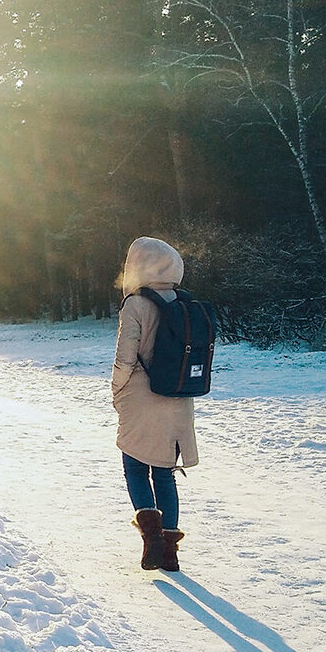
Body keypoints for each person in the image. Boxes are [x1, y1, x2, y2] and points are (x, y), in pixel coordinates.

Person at [111, 236, 198, 572]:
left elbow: (124, 359)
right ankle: (170, 553)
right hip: (177, 398)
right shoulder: (185, 303)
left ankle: (151, 540)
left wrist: (116, 392)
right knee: (165, 474)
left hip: (139, 399)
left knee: (134, 467)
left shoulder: (136, 304)